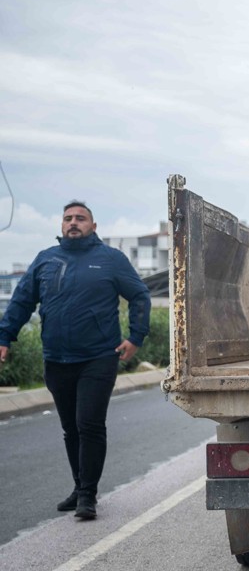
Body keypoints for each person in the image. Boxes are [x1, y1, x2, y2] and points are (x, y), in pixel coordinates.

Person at [0, 202, 150, 521]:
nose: (73, 223)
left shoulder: (111, 260)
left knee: (89, 424)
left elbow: (139, 294)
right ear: (61, 224)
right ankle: (79, 485)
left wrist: (136, 337)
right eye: (68, 218)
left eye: (80, 218)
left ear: (93, 226)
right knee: (71, 429)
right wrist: (4, 337)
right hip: (56, 359)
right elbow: (21, 301)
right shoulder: (46, 260)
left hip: (98, 357)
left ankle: (87, 495)